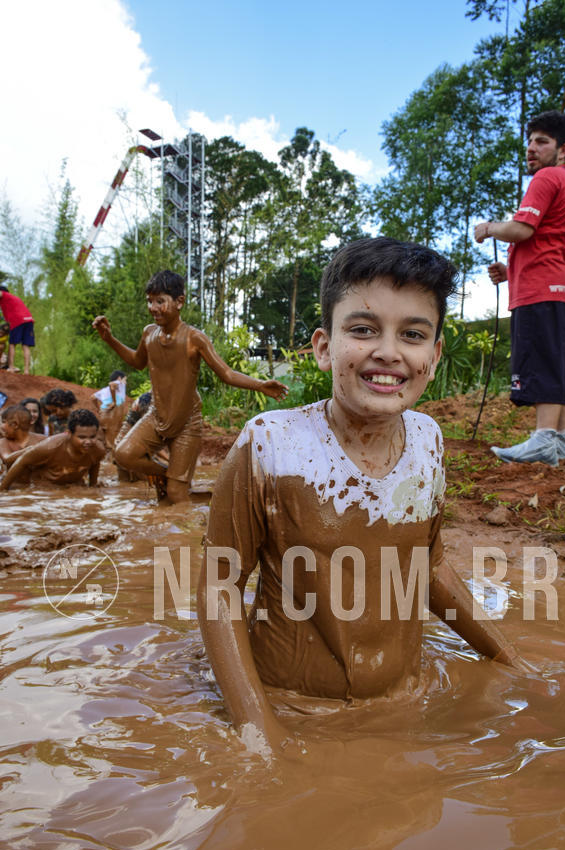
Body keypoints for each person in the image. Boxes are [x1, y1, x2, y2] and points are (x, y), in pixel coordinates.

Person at [196, 237, 527, 758]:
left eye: (412, 334)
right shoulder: (270, 445)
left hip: (407, 699)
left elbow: (428, 565)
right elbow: (219, 588)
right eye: (363, 329)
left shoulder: (428, 441)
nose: (388, 352)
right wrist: (257, 731)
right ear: (324, 347)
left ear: (434, 356)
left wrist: (512, 661)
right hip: (291, 706)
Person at [92, 270, 288, 504]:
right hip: (156, 415)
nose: (153, 308)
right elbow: (137, 361)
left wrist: (260, 384)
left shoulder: (194, 338)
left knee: (176, 496)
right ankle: (169, 476)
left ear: (179, 302)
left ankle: (202, 501)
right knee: (123, 454)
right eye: (150, 301)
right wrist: (110, 339)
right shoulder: (148, 333)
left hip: (187, 422)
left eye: (160, 301)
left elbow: (226, 373)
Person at [474, 110, 565, 466]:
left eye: (542, 141)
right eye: (530, 141)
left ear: (563, 149)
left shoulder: (547, 177)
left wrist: (489, 228)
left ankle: (543, 439)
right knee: (559, 361)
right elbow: (547, 242)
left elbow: (523, 230)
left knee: (542, 360)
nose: (531, 148)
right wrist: (511, 271)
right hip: (558, 286)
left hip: (540, 289)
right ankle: (562, 440)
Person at [0, 409, 105, 491]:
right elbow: (22, 461)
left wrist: (93, 486)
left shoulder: (98, 450)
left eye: (92, 437)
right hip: (44, 490)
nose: (88, 442)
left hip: (73, 488)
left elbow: (95, 463)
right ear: (69, 434)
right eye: (82, 437)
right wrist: (3, 489)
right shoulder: (50, 447)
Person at [0, 286, 35, 375]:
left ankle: (11, 368)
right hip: (29, 320)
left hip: (18, 320)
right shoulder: (13, 300)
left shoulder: (5, 295)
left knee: (12, 344)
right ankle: (26, 371)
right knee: (25, 345)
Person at [92, 370, 128, 449]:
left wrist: (98, 409)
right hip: (113, 415)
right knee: (112, 443)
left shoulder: (104, 390)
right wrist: (114, 401)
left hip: (103, 415)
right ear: (119, 378)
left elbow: (92, 397)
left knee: (104, 439)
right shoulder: (121, 384)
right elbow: (112, 384)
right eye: (125, 379)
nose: (126, 382)